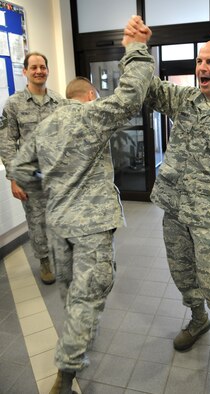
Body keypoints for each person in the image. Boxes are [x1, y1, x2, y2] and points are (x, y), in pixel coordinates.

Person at [12, 16, 154, 394]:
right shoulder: (93, 116)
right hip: (92, 224)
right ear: (90, 95)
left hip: (57, 221)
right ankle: (67, 370)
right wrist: (135, 49)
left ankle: (77, 337)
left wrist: (52, 187)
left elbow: (20, 169)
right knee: (89, 294)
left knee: (70, 289)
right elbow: (131, 95)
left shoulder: (45, 125)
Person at [126, 20, 210, 385]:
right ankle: (198, 320)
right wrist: (137, 50)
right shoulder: (184, 98)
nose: (202, 67)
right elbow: (147, 88)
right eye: (200, 61)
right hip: (174, 208)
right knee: (183, 274)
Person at [0, 52, 63, 284]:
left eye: (43, 67)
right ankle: (45, 261)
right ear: (25, 71)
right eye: (34, 67)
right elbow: (6, 142)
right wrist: (14, 179)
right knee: (37, 221)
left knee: (60, 217)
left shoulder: (59, 102)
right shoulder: (13, 104)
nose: (39, 71)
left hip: (58, 175)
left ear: (47, 70)